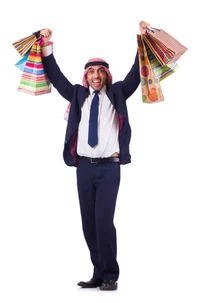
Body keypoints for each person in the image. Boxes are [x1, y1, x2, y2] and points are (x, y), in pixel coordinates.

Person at [38, 21, 150, 291]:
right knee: (88, 222)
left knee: (103, 220)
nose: (96, 76)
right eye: (91, 72)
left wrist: (143, 40)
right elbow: (56, 76)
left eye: (101, 72)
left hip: (110, 169)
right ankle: (98, 272)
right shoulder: (77, 95)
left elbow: (137, 72)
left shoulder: (118, 92)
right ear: (86, 76)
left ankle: (111, 273)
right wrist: (47, 46)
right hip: (84, 168)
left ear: (106, 76)